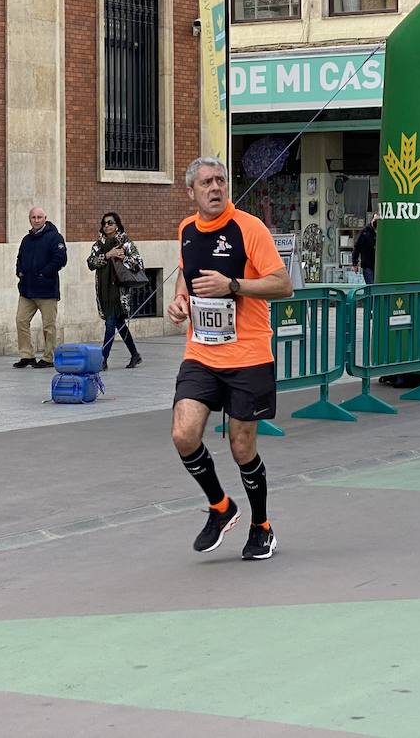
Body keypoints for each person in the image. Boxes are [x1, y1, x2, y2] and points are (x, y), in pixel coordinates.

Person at [167, 157, 293, 560]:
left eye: (221, 180)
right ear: (192, 192)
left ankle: (262, 526)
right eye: (206, 182)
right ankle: (221, 507)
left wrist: (233, 285)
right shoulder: (186, 230)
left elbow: (283, 285)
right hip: (201, 351)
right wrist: (179, 301)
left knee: (242, 447)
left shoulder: (249, 228)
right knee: (183, 434)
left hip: (248, 353)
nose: (215, 188)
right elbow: (187, 279)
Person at [86, 212, 144, 369]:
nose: (106, 226)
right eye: (104, 223)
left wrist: (123, 257)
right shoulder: (99, 244)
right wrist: (107, 255)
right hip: (104, 291)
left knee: (110, 323)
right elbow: (91, 263)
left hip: (119, 291)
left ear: (117, 225)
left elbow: (138, 264)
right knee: (119, 323)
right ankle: (135, 355)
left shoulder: (126, 243)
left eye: (110, 223)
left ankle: (103, 359)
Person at [14, 207, 67, 368]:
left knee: (48, 326)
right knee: (21, 320)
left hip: (47, 290)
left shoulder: (55, 237)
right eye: (33, 217)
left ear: (45, 218)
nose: (36, 220)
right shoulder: (26, 239)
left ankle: (48, 358)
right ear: (30, 219)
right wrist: (19, 272)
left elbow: (60, 259)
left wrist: (44, 274)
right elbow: (19, 258)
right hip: (27, 290)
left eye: (39, 217)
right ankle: (27, 355)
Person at [352, 212, 378, 284]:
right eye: (375, 220)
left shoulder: (382, 231)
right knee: (371, 286)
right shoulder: (365, 232)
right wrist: (355, 263)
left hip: (379, 265)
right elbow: (357, 247)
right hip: (368, 265)